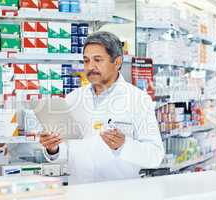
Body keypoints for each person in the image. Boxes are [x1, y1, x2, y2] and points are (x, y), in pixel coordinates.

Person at [40, 31, 164, 184]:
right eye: (86, 61)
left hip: (120, 192)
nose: (90, 67)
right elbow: (69, 150)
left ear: (117, 62)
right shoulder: (73, 99)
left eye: (98, 60)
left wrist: (123, 145)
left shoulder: (138, 100)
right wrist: (54, 148)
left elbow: (155, 156)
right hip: (80, 191)